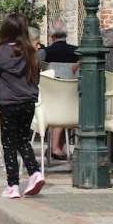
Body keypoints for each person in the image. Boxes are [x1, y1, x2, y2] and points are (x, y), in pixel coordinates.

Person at [0, 13, 45, 200]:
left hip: (9, 103)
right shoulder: (31, 52)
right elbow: (36, 78)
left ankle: (13, 186)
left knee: (8, 143)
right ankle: (35, 173)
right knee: (23, 140)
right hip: (28, 103)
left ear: (5, 30)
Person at [44, 20, 78, 160]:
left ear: (50, 35)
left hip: (49, 98)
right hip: (72, 98)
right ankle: (60, 145)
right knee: (65, 103)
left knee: (58, 105)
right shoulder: (77, 51)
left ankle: (55, 146)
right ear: (67, 34)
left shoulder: (45, 53)